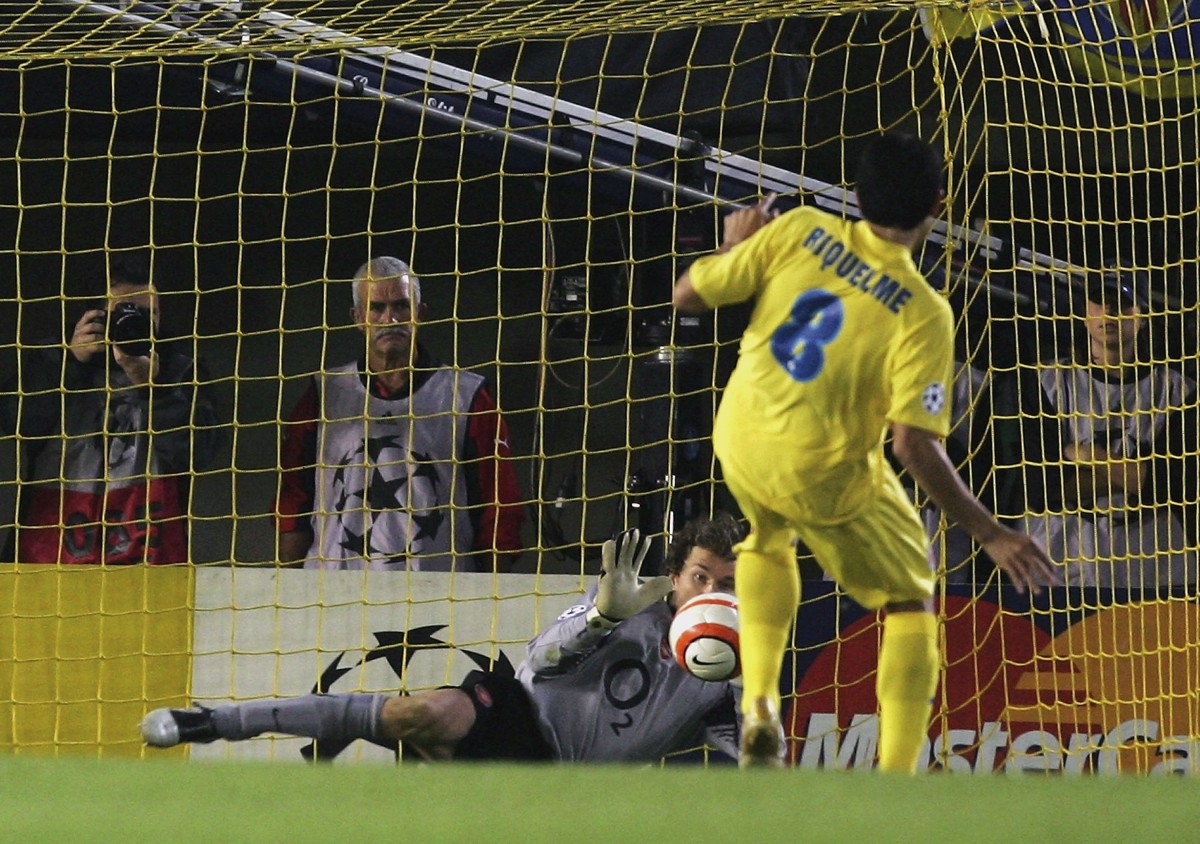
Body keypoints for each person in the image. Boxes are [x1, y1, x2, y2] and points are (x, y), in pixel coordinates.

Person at [671, 132, 1055, 772]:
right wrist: (990, 532)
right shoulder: (923, 312)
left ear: (856, 194)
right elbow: (913, 445)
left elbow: (686, 294)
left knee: (768, 539)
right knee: (911, 599)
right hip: (821, 469)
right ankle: (897, 774)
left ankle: (759, 710)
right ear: (938, 205)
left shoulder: (799, 228)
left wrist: (735, 247)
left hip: (741, 436)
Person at [141, 515, 743, 763]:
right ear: (675, 575)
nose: (710, 590)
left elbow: (755, 760)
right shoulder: (629, 603)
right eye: (700, 576)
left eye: (727, 583)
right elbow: (540, 660)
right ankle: (214, 721)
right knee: (419, 713)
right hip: (516, 715)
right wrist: (602, 617)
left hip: (569, 790)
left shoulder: (735, 671)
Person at [274, 256, 523, 572]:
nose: (389, 319)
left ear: (420, 313)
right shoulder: (324, 395)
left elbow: (499, 509)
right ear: (357, 318)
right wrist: (290, 587)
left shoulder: (467, 397)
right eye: (376, 308)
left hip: (437, 588)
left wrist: (490, 590)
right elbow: (292, 504)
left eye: (401, 306)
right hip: (336, 588)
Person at [0, 257, 222, 564]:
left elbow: (199, 453)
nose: (139, 322)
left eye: (149, 313)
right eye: (126, 311)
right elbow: (18, 424)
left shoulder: (181, 368)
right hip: (50, 553)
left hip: (149, 557)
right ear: (95, 315)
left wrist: (153, 390)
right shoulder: (53, 359)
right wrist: (69, 363)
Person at [1000, 269, 1198, 591]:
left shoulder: (1180, 392)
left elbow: (1179, 484)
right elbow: (1040, 489)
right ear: (1085, 314)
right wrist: (1140, 475)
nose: (1108, 311)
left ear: (1142, 317)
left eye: (1121, 303)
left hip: (1157, 576)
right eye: (1099, 301)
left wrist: (1089, 455)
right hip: (1061, 573)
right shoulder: (1043, 382)